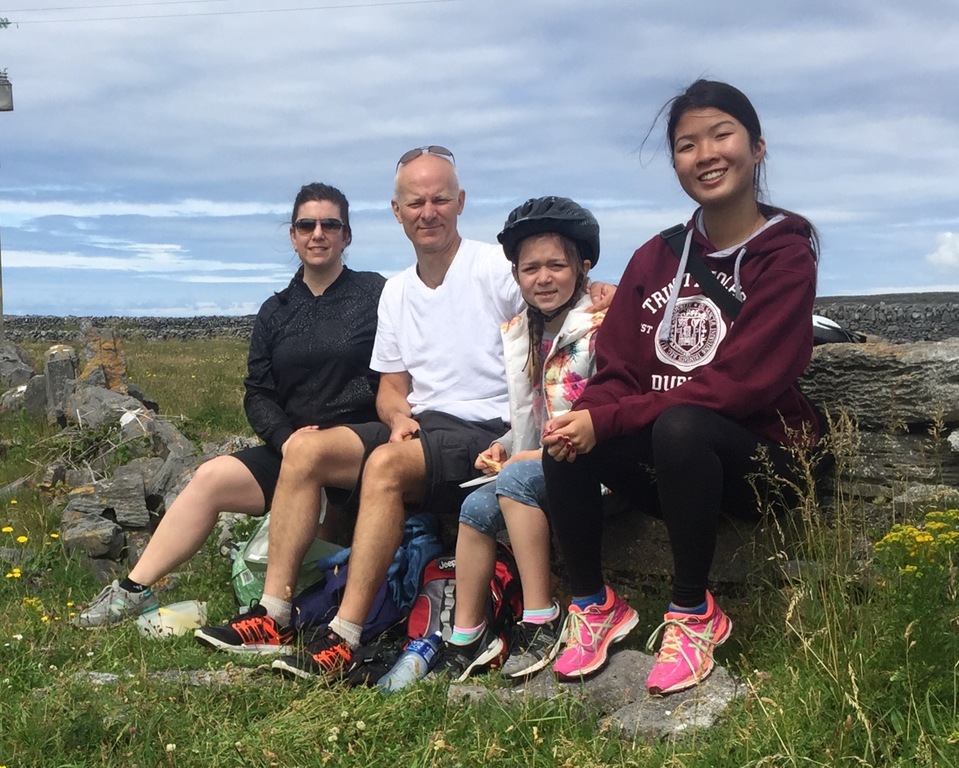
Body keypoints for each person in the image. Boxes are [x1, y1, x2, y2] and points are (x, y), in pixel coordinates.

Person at [196, 146, 612, 676]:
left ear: (460, 202)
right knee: (305, 447)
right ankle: (274, 614)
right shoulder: (395, 292)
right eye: (415, 201)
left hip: (486, 428)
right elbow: (392, 386)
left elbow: (560, 290)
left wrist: (606, 289)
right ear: (397, 212)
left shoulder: (495, 268)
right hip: (422, 425)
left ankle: (344, 636)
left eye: (440, 199)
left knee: (387, 466)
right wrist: (396, 418)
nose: (428, 211)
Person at [540, 79, 824, 696]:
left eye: (722, 135)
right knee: (567, 435)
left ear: (757, 147)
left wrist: (612, 420)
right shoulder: (657, 256)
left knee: (681, 424)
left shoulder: (786, 253)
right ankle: (594, 605)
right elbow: (616, 372)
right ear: (675, 163)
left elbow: (742, 385)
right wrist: (590, 418)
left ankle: (695, 614)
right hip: (674, 467)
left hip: (763, 466)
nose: (706, 154)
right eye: (687, 145)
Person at [75, 182, 385, 629]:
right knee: (210, 477)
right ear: (293, 236)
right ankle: (131, 592)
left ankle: (273, 612)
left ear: (347, 236)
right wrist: (284, 438)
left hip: (360, 445)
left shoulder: (375, 294)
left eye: (330, 224)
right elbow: (257, 391)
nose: (318, 233)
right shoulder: (275, 311)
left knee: (310, 460)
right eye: (306, 225)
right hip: (292, 449)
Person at [431, 196, 604, 682]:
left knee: (515, 483)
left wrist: (520, 461)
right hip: (539, 460)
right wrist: (506, 445)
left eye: (556, 265)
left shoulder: (599, 326)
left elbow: (591, 422)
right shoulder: (522, 333)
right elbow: (536, 415)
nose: (542, 278)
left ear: (582, 267)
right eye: (530, 268)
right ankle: (467, 634)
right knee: (474, 509)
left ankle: (541, 618)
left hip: (596, 467)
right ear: (516, 275)